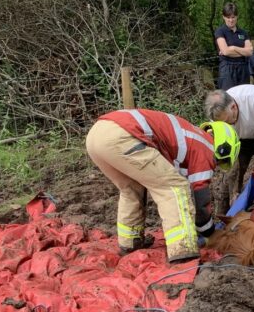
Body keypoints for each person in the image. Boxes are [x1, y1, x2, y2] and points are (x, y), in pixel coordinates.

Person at [85, 109, 240, 262]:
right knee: (175, 187)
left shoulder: (192, 136)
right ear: (225, 147)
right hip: (123, 135)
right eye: (222, 161)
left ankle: (130, 243)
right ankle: (183, 249)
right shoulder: (207, 148)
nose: (217, 165)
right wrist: (209, 232)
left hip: (98, 134)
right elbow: (201, 199)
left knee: (131, 190)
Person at [215, 2, 253, 90]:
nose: (231, 20)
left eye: (233, 17)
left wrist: (233, 48)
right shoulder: (220, 31)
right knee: (228, 97)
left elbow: (250, 52)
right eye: (228, 17)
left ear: (237, 16)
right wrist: (243, 51)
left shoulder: (243, 33)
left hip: (243, 68)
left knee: (243, 96)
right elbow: (225, 51)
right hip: (227, 68)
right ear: (223, 17)